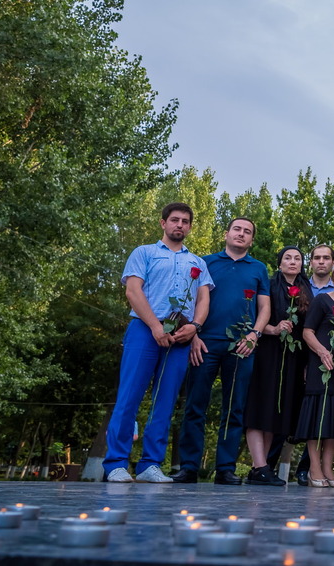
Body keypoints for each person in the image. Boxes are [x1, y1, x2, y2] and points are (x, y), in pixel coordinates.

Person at [105, 203, 214, 483]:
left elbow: (203, 299)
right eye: (174, 220)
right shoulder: (144, 253)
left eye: (185, 221)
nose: (180, 225)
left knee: (164, 402)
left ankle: (150, 465)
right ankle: (116, 463)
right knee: (129, 396)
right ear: (162, 223)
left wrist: (194, 327)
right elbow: (133, 290)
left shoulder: (198, 263)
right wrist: (155, 326)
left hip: (179, 337)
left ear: (190, 227)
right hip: (144, 330)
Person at [174, 218, 270, 485]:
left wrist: (254, 335)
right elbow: (188, 301)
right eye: (237, 229)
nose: (241, 234)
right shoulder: (204, 263)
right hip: (203, 343)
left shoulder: (259, 269)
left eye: (247, 232)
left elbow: (265, 309)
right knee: (195, 406)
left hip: (241, 346)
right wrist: (192, 334)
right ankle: (189, 466)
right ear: (226, 234)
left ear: (251, 240)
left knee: (234, 408)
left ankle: (225, 468)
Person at [241, 247, 310, 485]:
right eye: (287, 258)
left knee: (277, 412)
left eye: (297, 258)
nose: (292, 262)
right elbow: (254, 316)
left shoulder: (306, 290)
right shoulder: (268, 285)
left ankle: (260, 468)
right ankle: (260, 466)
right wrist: (272, 329)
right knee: (259, 407)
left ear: (302, 264)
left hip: (293, 357)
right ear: (279, 263)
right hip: (267, 352)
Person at [295, 260, 334, 487]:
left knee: (333, 418)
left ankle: (329, 468)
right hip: (321, 365)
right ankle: (314, 467)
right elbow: (307, 332)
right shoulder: (322, 300)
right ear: (333, 278)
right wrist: (322, 352)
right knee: (317, 416)